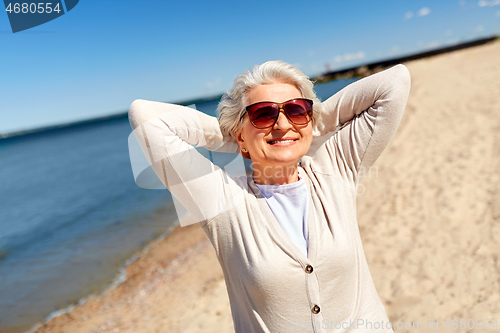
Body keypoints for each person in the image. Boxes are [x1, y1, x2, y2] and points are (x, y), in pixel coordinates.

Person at [128, 61, 411, 332]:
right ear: (240, 135)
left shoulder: (335, 171)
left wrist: (310, 128)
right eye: (263, 114)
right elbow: (145, 117)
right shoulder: (224, 202)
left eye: (297, 110)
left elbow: (394, 83)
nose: (281, 123)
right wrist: (234, 135)